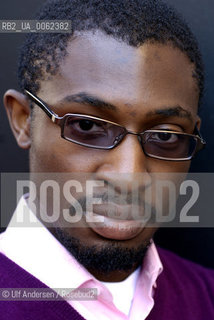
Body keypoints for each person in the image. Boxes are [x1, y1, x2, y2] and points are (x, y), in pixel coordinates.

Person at [0, 0, 214, 319]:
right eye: (87, 126)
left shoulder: (207, 294)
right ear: (22, 120)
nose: (129, 176)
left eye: (166, 136)